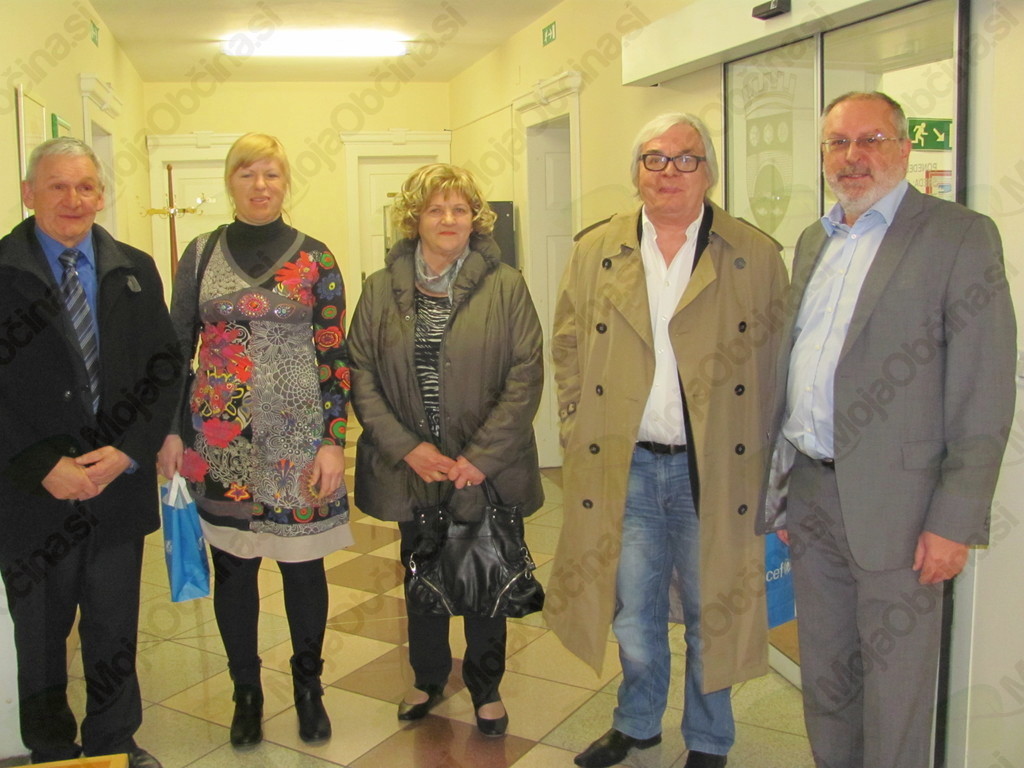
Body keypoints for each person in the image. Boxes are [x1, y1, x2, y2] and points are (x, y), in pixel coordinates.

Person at [760, 91, 1016, 768]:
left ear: (904, 147)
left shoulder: (959, 235)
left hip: (904, 513)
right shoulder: (813, 240)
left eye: (870, 140)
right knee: (826, 677)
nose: (853, 156)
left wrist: (954, 521)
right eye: (838, 143)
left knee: (897, 691)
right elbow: (800, 368)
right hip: (812, 495)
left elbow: (985, 387)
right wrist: (783, 491)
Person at [546, 113, 788, 768]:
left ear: (709, 172)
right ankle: (637, 722)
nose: (669, 172)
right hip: (626, 467)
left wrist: (771, 466)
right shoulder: (597, 250)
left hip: (714, 471)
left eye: (685, 158)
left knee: (715, 614)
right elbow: (566, 344)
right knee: (634, 614)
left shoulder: (753, 254)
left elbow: (778, 367)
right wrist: (575, 424)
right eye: (654, 158)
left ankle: (709, 740)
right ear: (636, 173)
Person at [157, 133, 351, 747]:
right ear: (230, 182)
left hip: (299, 444)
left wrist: (334, 441)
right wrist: (170, 431)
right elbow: (175, 348)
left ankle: (309, 688)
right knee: (234, 571)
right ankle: (246, 691)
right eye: (247, 174)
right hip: (221, 446)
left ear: (286, 182)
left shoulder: (316, 258)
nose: (260, 185)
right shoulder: (200, 253)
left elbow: (334, 355)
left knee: (303, 570)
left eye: (271, 174)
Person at [0, 138, 178, 768]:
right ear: (29, 193)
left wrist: (128, 453)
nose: (73, 199)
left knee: (113, 631)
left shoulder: (135, 269)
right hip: (31, 495)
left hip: (114, 489)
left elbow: (165, 371)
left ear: (101, 195)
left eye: (85, 186)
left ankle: (114, 743)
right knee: (41, 639)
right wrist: (41, 465)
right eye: (57, 186)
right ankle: (52, 752)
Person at [348, 163, 543, 737]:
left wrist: (481, 457)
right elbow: (360, 372)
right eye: (435, 209)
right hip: (414, 467)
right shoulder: (379, 288)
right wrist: (407, 448)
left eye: (460, 209)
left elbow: (526, 373)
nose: (449, 219)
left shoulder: (506, 285)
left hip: (483, 468)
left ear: (475, 218)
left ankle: (486, 688)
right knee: (421, 570)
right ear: (415, 219)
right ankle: (428, 677)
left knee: (486, 574)